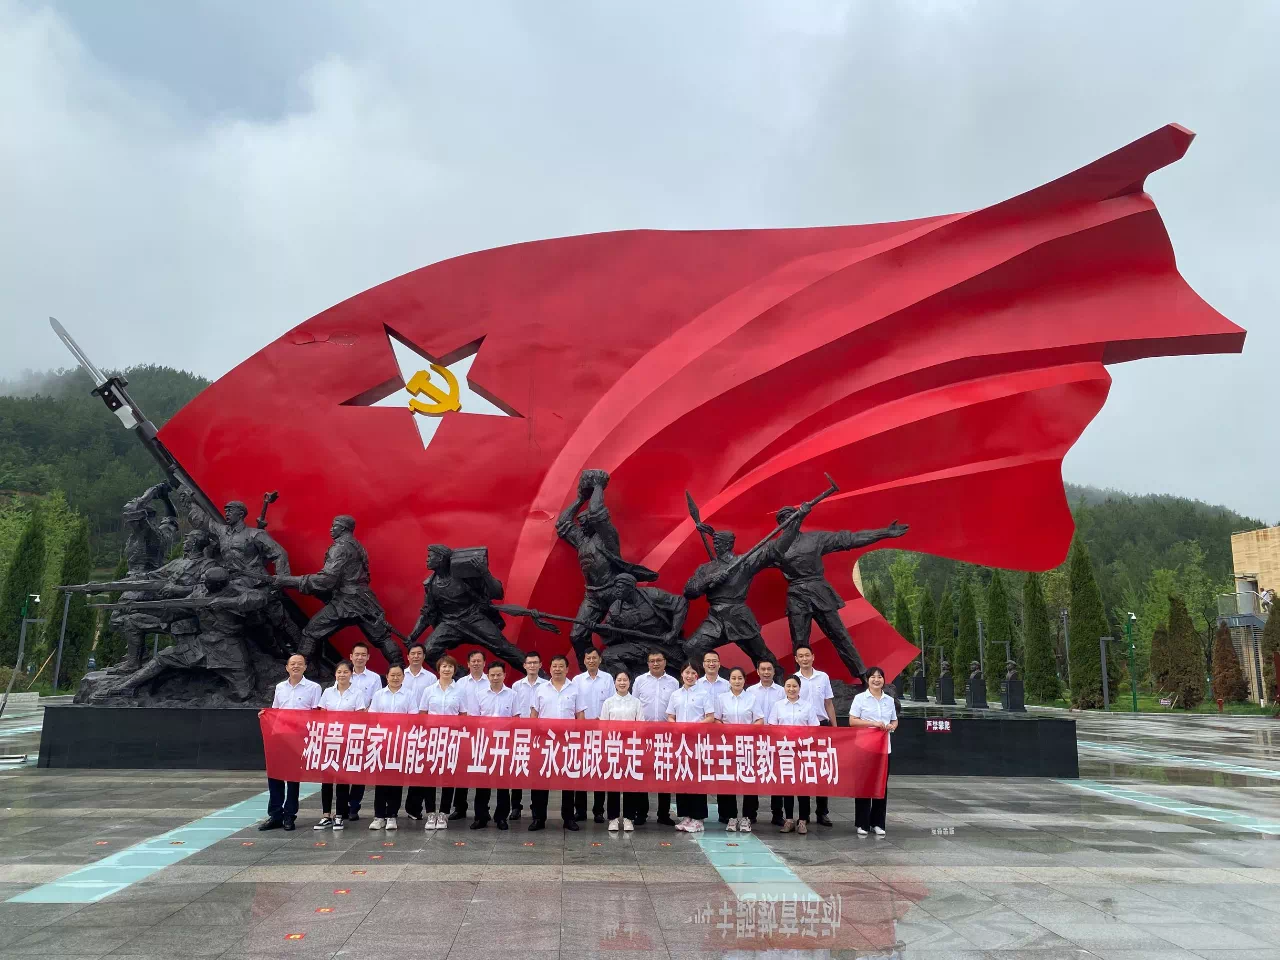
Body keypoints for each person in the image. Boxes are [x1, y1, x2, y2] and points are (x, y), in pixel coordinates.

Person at [761, 509, 907, 681]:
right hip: (797, 596)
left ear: (798, 520)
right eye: (785, 519)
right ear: (781, 524)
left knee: (840, 635)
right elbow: (749, 564)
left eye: (793, 517)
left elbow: (849, 539)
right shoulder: (775, 548)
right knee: (799, 642)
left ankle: (862, 675)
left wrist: (884, 533)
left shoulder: (815, 539)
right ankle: (800, 682)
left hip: (820, 592)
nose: (790, 521)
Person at [681, 505, 810, 667]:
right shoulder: (706, 568)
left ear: (729, 544)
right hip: (715, 618)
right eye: (715, 543)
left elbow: (776, 549)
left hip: (738, 616)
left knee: (762, 656)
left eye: (719, 543)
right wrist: (710, 579)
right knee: (691, 648)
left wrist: (796, 523)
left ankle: (776, 675)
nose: (716, 546)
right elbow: (689, 591)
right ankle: (719, 677)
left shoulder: (744, 562)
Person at [556, 469, 658, 669]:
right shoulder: (582, 541)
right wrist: (580, 499)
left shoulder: (608, 538)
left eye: (584, 522)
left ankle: (628, 671)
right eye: (580, 523)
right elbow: (562, 524)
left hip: (615, 592)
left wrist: (598, 486)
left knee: (621, 636)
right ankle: (590, 674)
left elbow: (596, 513)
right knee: (577, 636)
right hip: (593, 596)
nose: (580, 525)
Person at [409, 544, 528, 671]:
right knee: (429, 651)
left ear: (440, 558)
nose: (427, 559)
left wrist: (485, 573)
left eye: (430, 556)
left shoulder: (464, 576)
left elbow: (497, 593)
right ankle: (462, 677)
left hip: (473, 618)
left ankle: (537, 674)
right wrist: (413, 636)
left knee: (503, 647)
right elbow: (427, 613)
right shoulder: (430, 584)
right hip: (449, 623)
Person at [259, 653, 320, 831]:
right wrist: (266, 716)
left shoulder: (313, 687)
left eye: (299, 664)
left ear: (305, 667)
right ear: (287, 667)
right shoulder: (280, 687)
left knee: (293, 778)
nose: (296, 666)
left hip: (298, 738)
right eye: (292, 664)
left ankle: (289, 815)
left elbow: (316, 714)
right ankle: (275, 814)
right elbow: (276, 710)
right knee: (275, 775)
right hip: (279, 737)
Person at [410, 656, 468, 830]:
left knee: (448, 776)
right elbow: (422, 713)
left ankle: (443, 813)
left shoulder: (460, 691)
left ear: (454, 670)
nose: (447, 669)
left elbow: (463, 715)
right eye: (444, 666)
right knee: (430, 776)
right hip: (432, 739)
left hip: (451, 739)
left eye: (450, 666)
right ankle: (430, 812)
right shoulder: (429, 690)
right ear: (438, 669)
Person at [528, 654, 584, 831]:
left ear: (567, 669)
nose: (557, 669)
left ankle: (568, 818)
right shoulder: (541, 689)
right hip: (545, 741)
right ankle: (538, 818)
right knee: (540, 780)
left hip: (567, 742)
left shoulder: (575, 689)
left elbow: (580, 715)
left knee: (568, 781)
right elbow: (534, 715)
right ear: (550, 668)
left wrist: (578, 738)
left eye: (561, 666)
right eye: (554, 666)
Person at [597, 573, 687, 680]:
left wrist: (674, 632)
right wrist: (599, 629)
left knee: (683, 662)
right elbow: (611, 633)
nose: (616, 591)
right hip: (638, 645)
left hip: (662, 641)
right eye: (615, 588)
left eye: (619, 587)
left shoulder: (651, 595)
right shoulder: (615, 608)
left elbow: (681, 602)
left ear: (630, 587)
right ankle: (627, 684)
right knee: (608, 655)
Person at [314, 659, 366, 830]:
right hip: (329, 740)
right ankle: (325, 815)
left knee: (343, 780)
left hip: (347, 741)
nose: (342, 675)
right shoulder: (328, 692)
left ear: (351, 674)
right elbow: (321, 714)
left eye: (345, 672)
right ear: (335, 674)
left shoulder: (357, 693)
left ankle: (339, 815)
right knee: (327, 780)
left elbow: (360, 717)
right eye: (339, 672)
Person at [366, 664, 417, 830]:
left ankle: (392, 815)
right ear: (387, 677)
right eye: (392, 675)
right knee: (381, 781)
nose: (395, 678)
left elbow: (413, 718)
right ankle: (379, 816)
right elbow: (372, 718)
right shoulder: (379, 695)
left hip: (400, 742)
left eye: (398, 675)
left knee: (396, 780)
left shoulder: (409, 695)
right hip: (381, 742)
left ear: (403, 677)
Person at [848, 666, 898, 838]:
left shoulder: (889, 700)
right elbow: (852, 721)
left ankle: (878, 822)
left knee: (881, 784)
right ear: (867, 680)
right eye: (873, 677)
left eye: (880, 677)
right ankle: (862, 822)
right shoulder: (860, 698)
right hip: (864, 747)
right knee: (864, 784)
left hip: (884, 749)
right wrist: (873, 724)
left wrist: (891, 726)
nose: (876, 680)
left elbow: (895, 720)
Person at [767, 674, 820, 834]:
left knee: (803, 787)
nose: (791, 689)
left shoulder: (808, 706)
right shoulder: (778, 706)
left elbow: (814, 728)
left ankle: (802, 820)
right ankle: (789, 820)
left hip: (803, 752)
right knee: (787, 787)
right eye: (788, 686)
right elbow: (772, 727)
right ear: (784, 688)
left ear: (799, 688)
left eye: (794, 686)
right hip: (784, 752)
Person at [714, 666, 765, 832]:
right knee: (728, 781)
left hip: (747, 746)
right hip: (727, 746)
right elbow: (716, 720)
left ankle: (747, 817)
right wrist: (728, 730)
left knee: (749, 781)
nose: (737, 681)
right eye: (733, 678)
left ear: (744, 680)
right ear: (729, 680)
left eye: (740, 678)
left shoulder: (751, 698)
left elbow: (759, 720)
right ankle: (731, 817)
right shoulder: (721, 698)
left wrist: (746, 731)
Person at [666, 662, 714, 832]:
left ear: (697, 676)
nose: (689, 676)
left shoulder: (704, 694)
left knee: (696, 779)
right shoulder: (675, 695)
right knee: (682, 777)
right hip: (680, 742)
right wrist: (677, 726)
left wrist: (693, 727)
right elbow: (670, 716)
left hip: (697, 741)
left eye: (693, 673)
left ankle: (698, 818)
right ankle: (685, 815)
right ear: (682, 674)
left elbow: (710, 717)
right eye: (687, 672)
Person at [633, 650, 679, 825]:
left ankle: (663, 814)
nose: (655, 663)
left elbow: (675, 707)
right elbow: (635, 704)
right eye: (652, 661)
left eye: (659, 660)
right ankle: (641, 813)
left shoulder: (673, 682)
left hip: (666, 734)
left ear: (665, 662)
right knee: (642, 773)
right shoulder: (640, 681)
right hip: (644, 733)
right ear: (648, 663)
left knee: (664, 773)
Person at [794, 645, 837, 827]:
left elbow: (828, 703)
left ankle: (822, 812)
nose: (804, 659)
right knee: (802, 771)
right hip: (801, 729)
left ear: (813, 656)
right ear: (796, 659)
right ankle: (804, 814)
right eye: (801, 656)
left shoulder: (823, 677)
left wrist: (834, 727)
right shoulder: (794, 679)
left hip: (821, 725)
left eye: (807, 655)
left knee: (822, 769)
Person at [471, 660, 516, 830]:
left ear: (504, 675)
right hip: (485, 742)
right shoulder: (480, 694)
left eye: (498, 675)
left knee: (503, 783)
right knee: (482, 782)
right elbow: (474, 719)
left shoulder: (512, 695)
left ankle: (501, 817)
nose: (495, 678)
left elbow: (516, 719)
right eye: (492, 675)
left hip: (504, 743)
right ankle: (481, 816)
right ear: (487, 676)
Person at [572, 648, 614, 823]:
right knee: (581, 770)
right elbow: (573, 703)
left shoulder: (608, 678)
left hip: (602, 731)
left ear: (600, 660)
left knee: (600, 770)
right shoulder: (577, 680)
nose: (591, 661)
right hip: (582, 731)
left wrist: (603, 719)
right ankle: (580, 810)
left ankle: (598, 811)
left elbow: (612, 702)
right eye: (588, 658)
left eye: (594, 658)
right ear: (584, 661)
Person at [599, 671, 645, 831]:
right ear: (615, 683)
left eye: (625, 680)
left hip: (631, 748)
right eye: (619, 680)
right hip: (613, 747)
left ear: (629, 682)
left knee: (630, 785)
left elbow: (641, 725)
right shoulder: (608, 702)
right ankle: (613, 818)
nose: (622, 683)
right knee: (613, 784)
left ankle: (628, 818)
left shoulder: (636, 702)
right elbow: (603, 726)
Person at [508, 650, 549, 821]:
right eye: (529, 663)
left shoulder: (546, 685)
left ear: (540, 665)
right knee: (518, 769)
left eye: (535, 663)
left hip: (540, 734)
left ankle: (535, 806)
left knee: (536, 769)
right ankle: (515, 806)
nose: (532, 666)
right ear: (524, 665)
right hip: (520, 732)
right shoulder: (516, 686)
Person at [451, 650, 491, 822]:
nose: (476, 663)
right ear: (468, 664)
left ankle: (483, 810)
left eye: (479, 661)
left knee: (483, 772)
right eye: (473, 661)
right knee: (462, 771)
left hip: (486, 733)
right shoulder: (460, 683)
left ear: (484, 663)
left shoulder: (491, 681)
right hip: (465, 731)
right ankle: (460, 807)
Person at [747, 658, 787, 825]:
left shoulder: (782, 691)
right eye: (762, 669)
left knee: (776, 776)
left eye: (769, 669)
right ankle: (750, 814)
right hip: (754, 738)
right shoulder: (750, 691)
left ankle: (777, 814)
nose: (766, 672)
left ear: (774, 671)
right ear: (757, 671)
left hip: (776, 738)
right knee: (752, 775)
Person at [345, 641, 381, 823]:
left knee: (359, 768)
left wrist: (364, 713)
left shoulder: (374, 678)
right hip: (343, 729)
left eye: (363, 655)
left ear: (368, 657)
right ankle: (342, 806)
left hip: (365, 727)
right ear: (351, 657)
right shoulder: (344, 674)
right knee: (344, 767)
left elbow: (377, 700)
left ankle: (354, 806)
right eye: (356, 654)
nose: (359, 658)